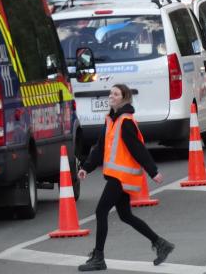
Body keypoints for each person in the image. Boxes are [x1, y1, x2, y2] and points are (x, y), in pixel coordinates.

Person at [77, 84, 174, 271]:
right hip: (117, 176)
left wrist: (153, 171)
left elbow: (138, 148)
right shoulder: (111, 120)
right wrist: (86, 168)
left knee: (101, 211)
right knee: (125, 215)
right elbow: (100, 147)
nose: (111, 96)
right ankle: (161, 244)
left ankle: (99, 258)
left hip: (121, 177)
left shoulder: (126, 121)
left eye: (116, 94)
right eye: (110, 93)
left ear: (124, 98)